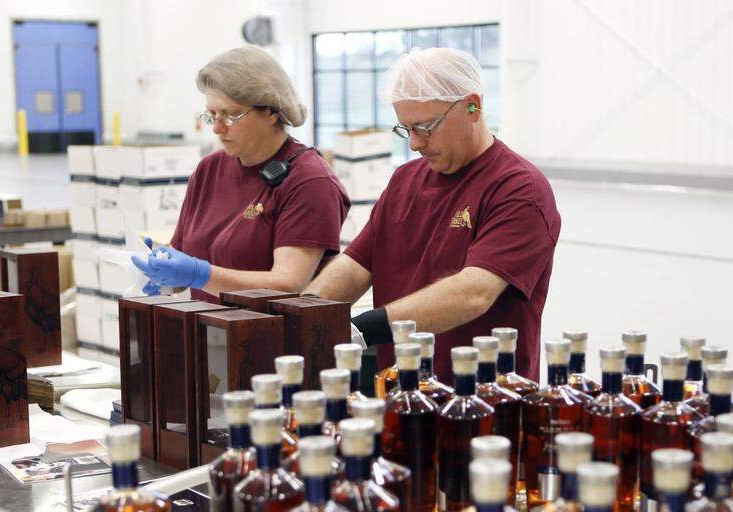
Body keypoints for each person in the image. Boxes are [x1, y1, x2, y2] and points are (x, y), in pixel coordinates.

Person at [303, 47, 560, 381]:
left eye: (425, 127)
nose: (414, 144)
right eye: (405, 129)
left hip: (483, 398)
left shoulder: (518, 188)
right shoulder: (405, 180)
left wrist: (364, 328)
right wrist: (303, 312)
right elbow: (355, 267)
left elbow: (473, 293)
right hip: (400, 391)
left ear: (473, 106)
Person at [133, 45, 350, 300]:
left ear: (271, 111)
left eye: (231, 115)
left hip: (271, 334)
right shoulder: (209, 170)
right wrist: (163, 271)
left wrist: (201, 275)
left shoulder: (310, 181)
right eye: (211, 115)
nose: (217, 128)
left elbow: (287, 283)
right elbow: (184, 259)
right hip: (209, 332)